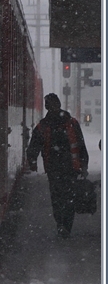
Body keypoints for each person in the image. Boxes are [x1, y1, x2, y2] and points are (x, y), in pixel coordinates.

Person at [26, 93, 90, 238]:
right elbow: (81, 146)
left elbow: (34, 145)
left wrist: (33, 161)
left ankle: (61, 224)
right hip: (70, 168)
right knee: (68, 198)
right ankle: (65, 226)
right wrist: (84, 165)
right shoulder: (71, 123)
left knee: (58, 198)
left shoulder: (44, 125)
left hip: (55, 169)